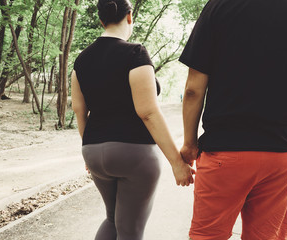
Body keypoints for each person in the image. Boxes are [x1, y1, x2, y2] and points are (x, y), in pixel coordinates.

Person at [179, 0, 287, 239]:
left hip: (223, 154)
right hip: (280, 157)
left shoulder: (218, 7)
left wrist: (189, 143)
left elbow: (193, 90)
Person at [71, 0, 195, 239]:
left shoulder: (81, 60)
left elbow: (79, 110)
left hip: (94, 150)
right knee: (130, 230)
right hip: (134, 154)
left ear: (100, 20)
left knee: (112, 219)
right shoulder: (135, 53)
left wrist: (88, 150)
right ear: (129, 17)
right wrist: (177, 163)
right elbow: (148, 112)